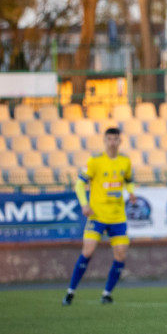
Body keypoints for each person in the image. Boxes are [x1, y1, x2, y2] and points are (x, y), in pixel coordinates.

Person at [63, 127, 135, 305]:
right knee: (88, 251)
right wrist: (84, 204)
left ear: (120, 141)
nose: (112, 142)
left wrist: (131, 193)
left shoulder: (125, 161)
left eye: (115, 139)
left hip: (118, 217)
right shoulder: (95, 161)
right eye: (109, 139)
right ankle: (70, 292)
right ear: (105, 140)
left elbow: (128, 181)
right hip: (97, 215)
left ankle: (107, 294)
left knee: (121, 255)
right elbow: (80, 184)